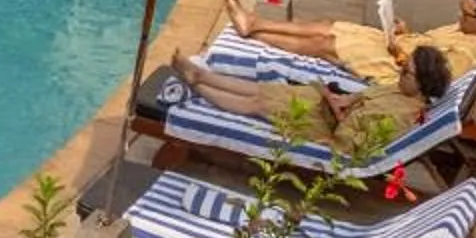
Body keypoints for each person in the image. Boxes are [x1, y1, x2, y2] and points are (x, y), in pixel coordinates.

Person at [174, 44, 455, 152]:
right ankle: (202, 75)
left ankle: (197, 86)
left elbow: (353, 143)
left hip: (325, 129)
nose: (399, 72)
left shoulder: (402, 116)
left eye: (406, 72)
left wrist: (341, 114)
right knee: (264, 89)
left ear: (421, 84)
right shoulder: (399, 90)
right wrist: (342, 100)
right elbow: (364, 95)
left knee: (258, 104)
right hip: (328, 109)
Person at [228, 0, 476, 87]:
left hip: (394, 70)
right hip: (391, 46)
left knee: (325, 44)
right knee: (329, 25)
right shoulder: (461, 28)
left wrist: (400, 54)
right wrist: (405, 32)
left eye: (465, 14)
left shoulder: (470, 50)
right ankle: (253, 23)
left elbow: (433, 75)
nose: (459, 17)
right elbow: (428, 42)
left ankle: (255, 33)